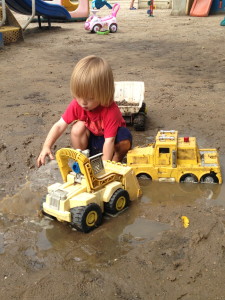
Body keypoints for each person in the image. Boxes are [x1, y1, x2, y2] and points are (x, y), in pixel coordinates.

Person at [37, 55, 132, 168]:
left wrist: (102, 167)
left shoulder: (111, 111)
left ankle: (114, 162)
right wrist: (46, 146)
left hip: (112, 140)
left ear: (104, 93)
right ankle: (83, 159)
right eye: (78, 96)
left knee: (124, 137)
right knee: (77, 127)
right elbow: (59, 125)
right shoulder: (77, 104)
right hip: (93, 140)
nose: (83, 103)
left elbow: (109, 141)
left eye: (90, 98)